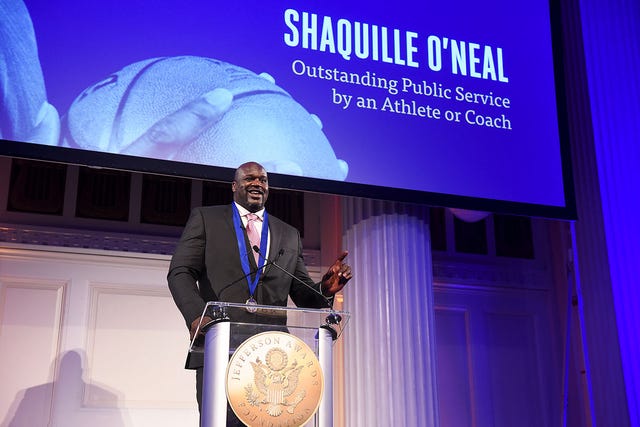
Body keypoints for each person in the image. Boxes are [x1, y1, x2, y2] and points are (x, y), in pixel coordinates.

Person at [167, 161, 352, 422]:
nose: (257, 183)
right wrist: (198, 316)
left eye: (263, 180)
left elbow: (301, 293)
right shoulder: (207, 219)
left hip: (274, 358)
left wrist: (325, 289)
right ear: (234, 186)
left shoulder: (288, 234)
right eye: (249, 178)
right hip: (221, 346)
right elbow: (180, 272)